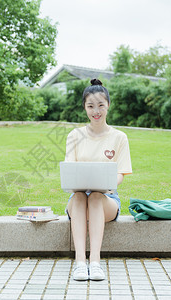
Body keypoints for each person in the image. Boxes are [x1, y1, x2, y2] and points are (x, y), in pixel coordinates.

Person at [65, 78, 132, 281]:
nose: (96, 111)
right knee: (79, 196)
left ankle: (95, 262)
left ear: (108, 106)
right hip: (78, 200)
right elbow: (69, 171)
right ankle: (79, 263)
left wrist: (106, 184)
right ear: (84, 107)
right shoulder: (74, 135)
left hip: (108, 199)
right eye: (91, 106)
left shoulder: (119, 137)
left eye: (101, 105)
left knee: (95, 196)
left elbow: (121, 173)